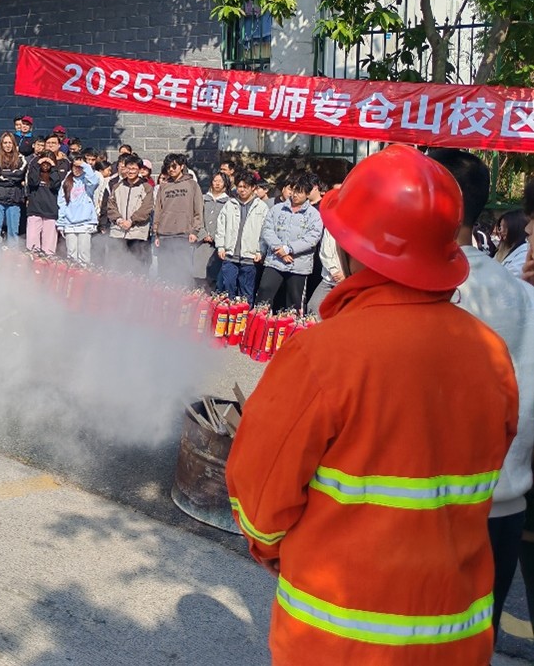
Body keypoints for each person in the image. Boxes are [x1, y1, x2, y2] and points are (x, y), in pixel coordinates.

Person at [228, 144, 518, 665]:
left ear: (351, 247)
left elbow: (259, 500)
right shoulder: (490, 353)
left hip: (337, 639)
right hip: (456, 634)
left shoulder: (322, 355)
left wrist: (274, 551)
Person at [428, 149, 534, 640]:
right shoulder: (524, 296)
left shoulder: (426, 289)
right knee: (475, 644)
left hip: (431, 510)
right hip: (506, 506)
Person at [256, 172, 323, 311]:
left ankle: (289, 324)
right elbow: (267, 229)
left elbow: (312, 238)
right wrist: (279, 249)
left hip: (298, 264)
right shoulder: (277, 209)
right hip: (275, 261)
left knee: (293, 301)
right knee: (264, 292)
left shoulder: (314, 215)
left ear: (307, 194)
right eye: (293, 190)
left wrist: (289, 249)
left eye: (299, 192)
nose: (295, 195)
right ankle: (260, 321)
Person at [215, 170, 268, 304]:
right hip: (230, 255)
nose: (242, 190)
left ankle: (244, 315)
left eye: (246, 187)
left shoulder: (261, 207)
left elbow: (265, 232)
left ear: (253, 188)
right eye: (239, 186)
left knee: (246, 291)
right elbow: (221, 226)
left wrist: (260, 250)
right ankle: (226, 314)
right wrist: (220, 246)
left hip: (250, 257)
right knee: (227, 289)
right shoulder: (230, 204)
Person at [152, 153, 202, 284]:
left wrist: (195, 231)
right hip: (164, 234)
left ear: (182, 166)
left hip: (184, 233)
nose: (171, 169)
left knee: (183, 270)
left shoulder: (192, 185)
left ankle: (184, 295)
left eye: (174, 166)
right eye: (168, 167)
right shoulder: (163, 186)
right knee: (164, 271)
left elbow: (198, 209)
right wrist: (156, 233)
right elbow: (158, 210)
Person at [105, 154, 155, 271]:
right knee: (118, 268)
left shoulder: (146, 187)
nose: (130, 171)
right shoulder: (117, 186)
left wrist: (131, 221)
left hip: (137, 233)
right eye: (128, 168)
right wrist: (119, 220)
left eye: (134, 169)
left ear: (139, 170)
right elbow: (111, 206)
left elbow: (146, 208)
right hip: (118, 232)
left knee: (137, 268)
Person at [25, 137, 70, 256]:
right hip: (35, 210)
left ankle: (47, 264)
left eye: (48, 162)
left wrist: (53, 167)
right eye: (44, 162)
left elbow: (56, 185)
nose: (46, 165)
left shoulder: (57, 171)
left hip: (51, 211)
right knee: (32, 243)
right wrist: (38, 164)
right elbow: (33, 182)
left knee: (49, 247)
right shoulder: (35, 169)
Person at [57, 153, 101, 266]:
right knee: (71, 254)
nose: (77, 169)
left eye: (79, 167)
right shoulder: (66, 181)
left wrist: (85, 165)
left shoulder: (87, 181)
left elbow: (94, 181)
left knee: (84, 253)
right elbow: (62, 203)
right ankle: (72, 274)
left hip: (85, 223)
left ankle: (84, 274)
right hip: (70, 223)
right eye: (75, 167)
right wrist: (61, 222)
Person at [0, 132, 27, 257]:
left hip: (14, 199)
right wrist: (12, 179)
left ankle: (12, 259)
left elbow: (20, 174)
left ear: (14, 144)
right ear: (1, 144)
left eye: (10, 142)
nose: (7, 145)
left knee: (13, 231)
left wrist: (5, 176)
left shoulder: (21, 159)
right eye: (5, 142)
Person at [192, 172, 231, 288]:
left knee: (214, 275)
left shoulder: (229, 202)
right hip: (201, 242)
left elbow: (228, 223)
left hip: (217, 244)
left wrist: (214, 236)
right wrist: (203, 234)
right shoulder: (203, 199)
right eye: (215, 181)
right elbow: (197, 217)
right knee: (198, 273)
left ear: (225, 184)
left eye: (220, 181)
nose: (217, 183)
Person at [494, 209, 529, 279]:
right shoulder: (503, 250)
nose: (501, 231)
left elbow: (512, 276)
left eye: (505, 227)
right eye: (500, 227)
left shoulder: (525, 252)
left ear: (516, 228)